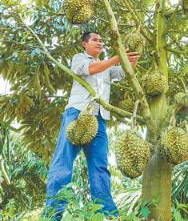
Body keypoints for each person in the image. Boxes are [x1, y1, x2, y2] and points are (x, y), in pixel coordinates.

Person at [43, 31, 140, 220]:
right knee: (63, 164)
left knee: (100, 167)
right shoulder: (79, 58)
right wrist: (117, 57)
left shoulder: (107, 66)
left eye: (101, 40)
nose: (100, 42)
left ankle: (107, 215)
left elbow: (121, 72)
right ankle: (52, 215)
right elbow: (91, 69)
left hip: (99, 119)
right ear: (84, 44)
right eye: (95, 39)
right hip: (77, 114)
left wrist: (131, 61)